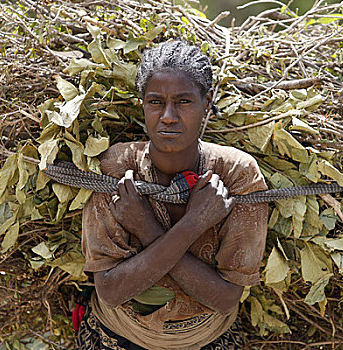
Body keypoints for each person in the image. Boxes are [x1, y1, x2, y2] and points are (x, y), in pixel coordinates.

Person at [76, 40, 269, 350]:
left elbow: (226, 298)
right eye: (155, 102)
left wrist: (146, 227)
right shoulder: (116, 169)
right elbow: (110, 292)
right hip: (117, 337)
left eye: (183, 102)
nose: (168, 116)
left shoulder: (236, 174)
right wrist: (194, 223)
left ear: (207, 103)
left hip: (207, 340)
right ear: (142, 104)